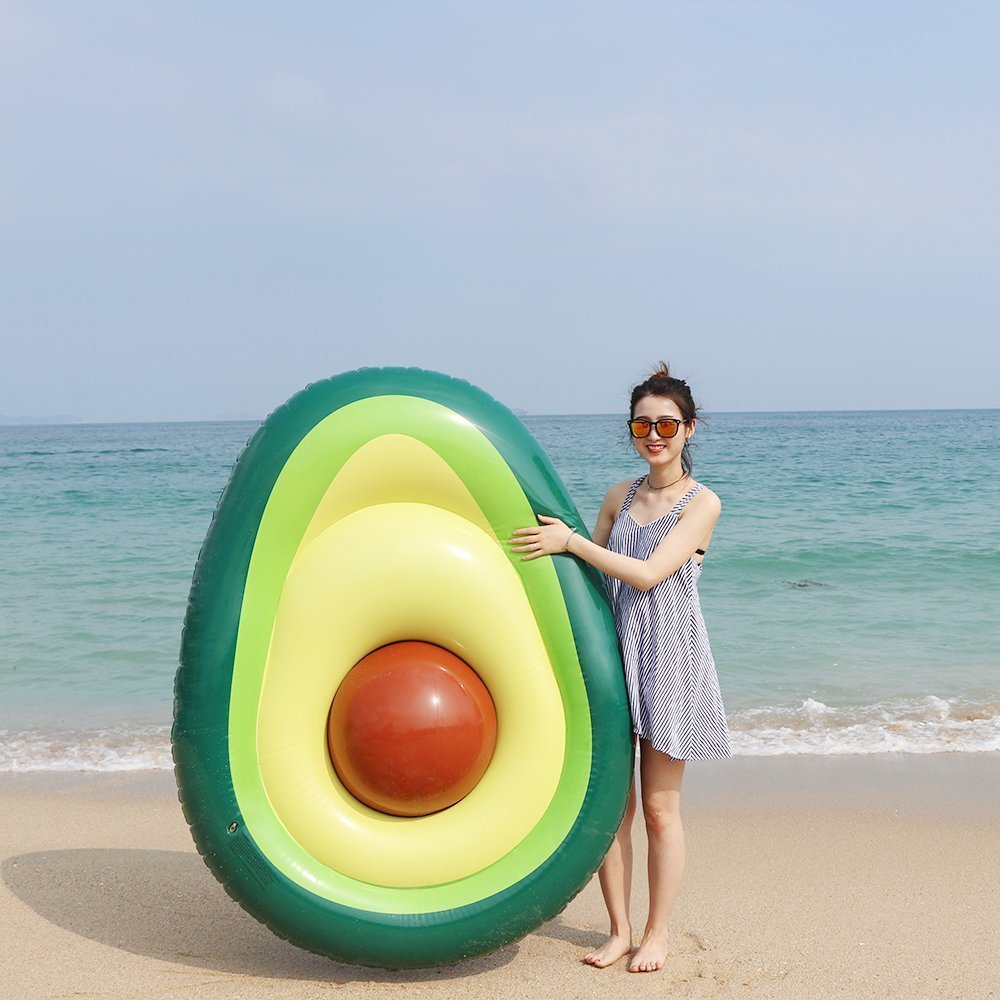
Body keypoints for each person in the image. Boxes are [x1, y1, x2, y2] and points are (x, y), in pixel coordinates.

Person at [510, 363, 731, 973]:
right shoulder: (618, 495)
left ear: (689, 429)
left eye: (667, 424)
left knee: (661, 811)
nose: (654, 434)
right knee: (614, 809)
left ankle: (657, 934)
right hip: (614, 656)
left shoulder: (702, 503)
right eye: (643, 423)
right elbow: (588, 579)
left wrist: (571, 541)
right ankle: (618, 929)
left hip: (669, 660)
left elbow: (646, 571)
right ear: (632, 429)